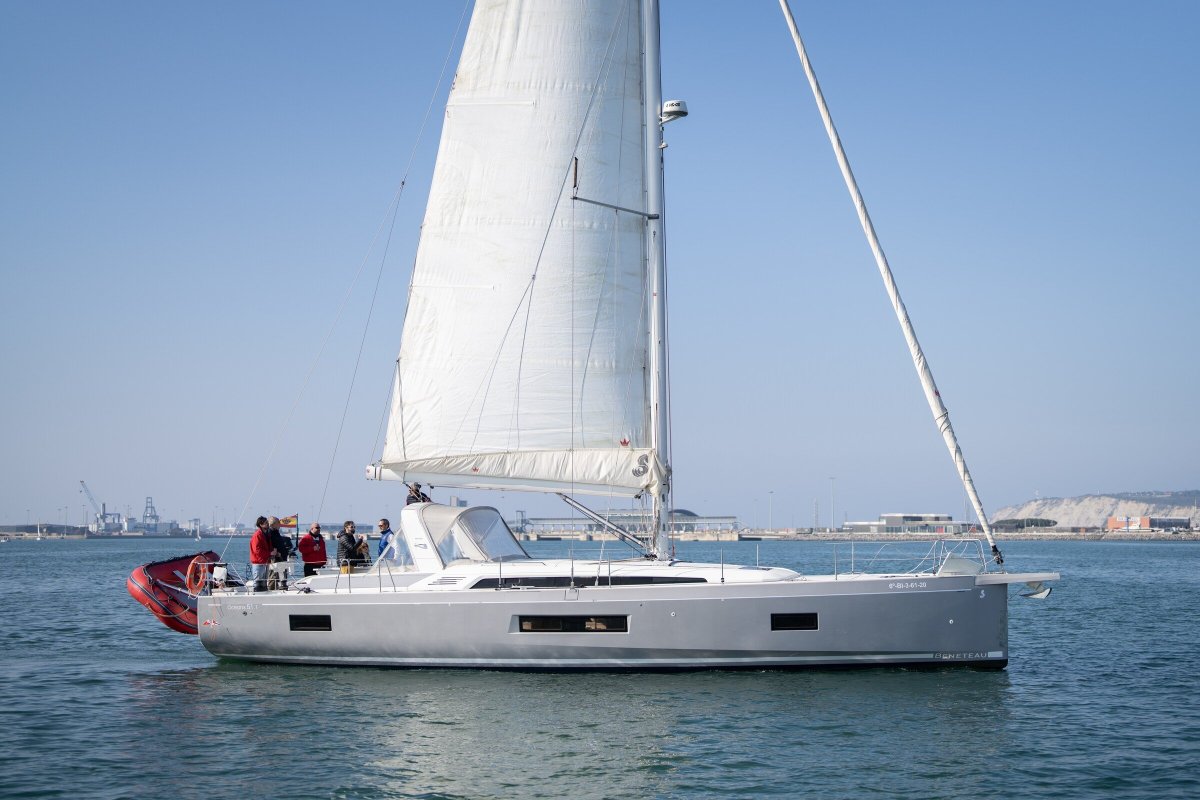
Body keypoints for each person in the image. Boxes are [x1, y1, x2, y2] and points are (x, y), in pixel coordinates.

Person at [249, 516, 271, 592]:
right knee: (258, 584)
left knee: (264, 584)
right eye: (266, 523)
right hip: (258, 563)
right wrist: (270, 553)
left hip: (265, 562)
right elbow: (257, 550)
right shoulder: (257, 535)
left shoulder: (266, 534)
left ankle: (264, 597)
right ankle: (257, 597)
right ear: (261, 524)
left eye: (267, 523)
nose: (268, 524)